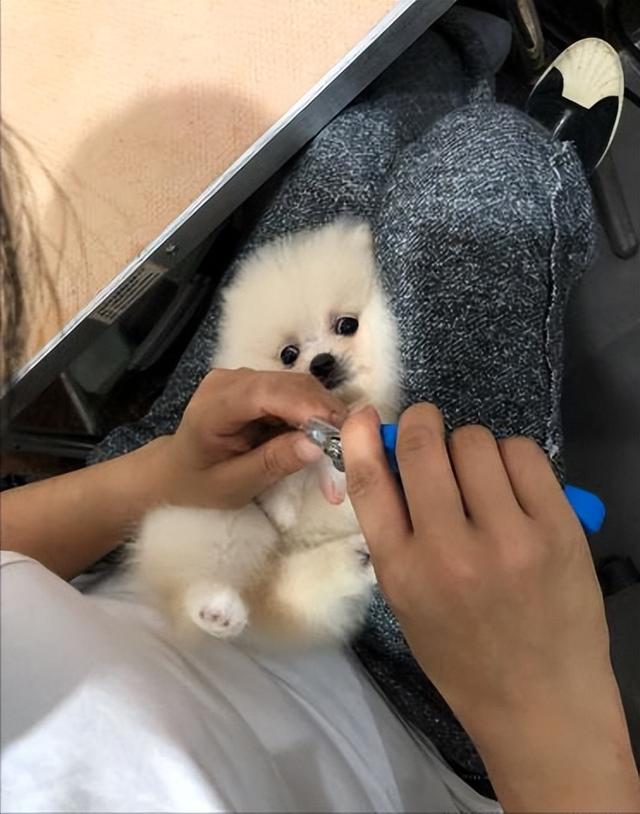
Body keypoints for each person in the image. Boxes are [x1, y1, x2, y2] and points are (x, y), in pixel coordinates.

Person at [2, 25, 640, 814]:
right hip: (420, 694)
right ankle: (532, 152)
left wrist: (155, 478)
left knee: (349, 136)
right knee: (483, 174)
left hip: (151, 527)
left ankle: (462, 45)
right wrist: (541, 714)